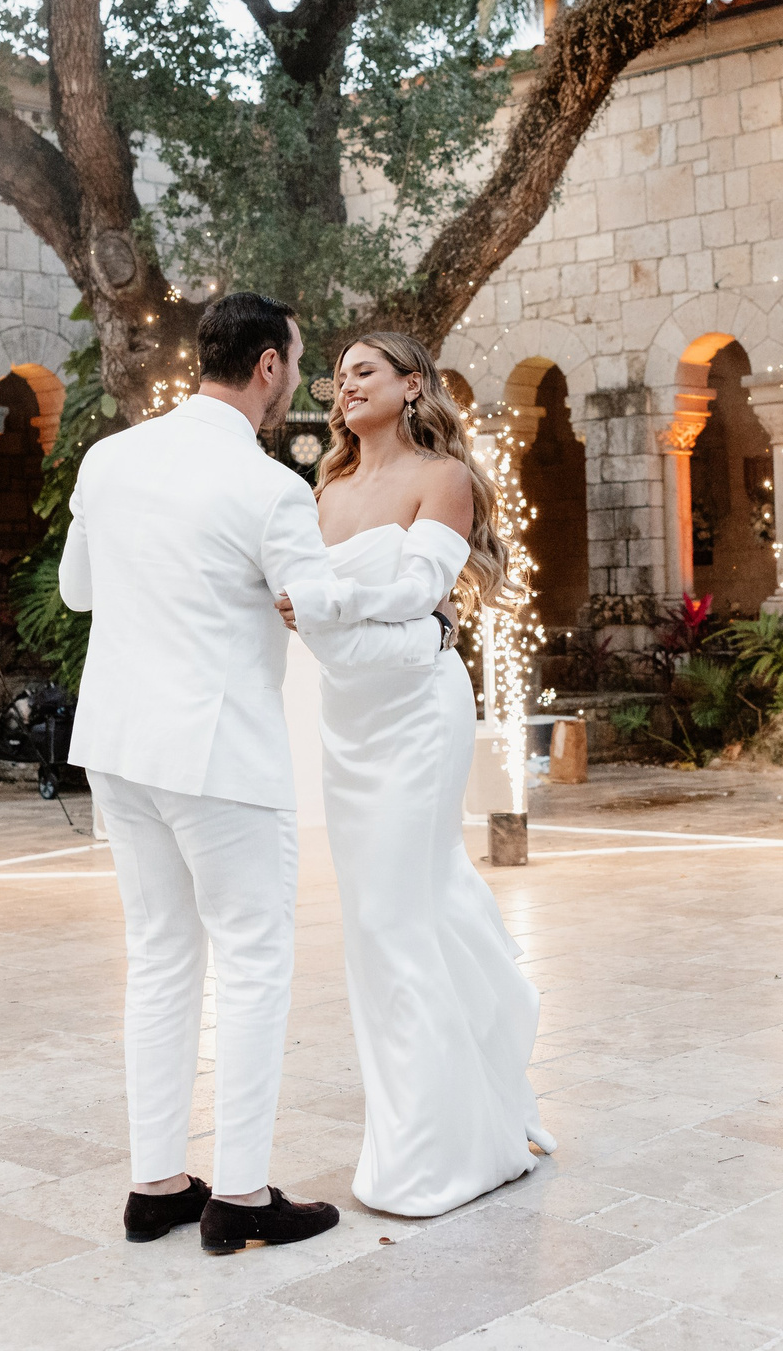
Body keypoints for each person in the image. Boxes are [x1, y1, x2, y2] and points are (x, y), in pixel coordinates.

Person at [58, 291, 446, 1256]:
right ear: (269, 364)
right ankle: (238, 1196)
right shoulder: (268, 487)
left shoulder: (108, 459)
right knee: (253, 961)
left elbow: (76, 589)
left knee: (160, 954)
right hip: (218, 753)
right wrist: (430, 633)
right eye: (299, 364)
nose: (300, 383)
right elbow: (323, 625)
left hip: (117, 746)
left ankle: (156, 1185)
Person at [278, 330, 552, 1217]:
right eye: (338, 376)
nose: (345, 386)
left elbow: (416, 590)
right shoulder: (325, 488)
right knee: (377, 920)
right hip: (348, 718)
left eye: (365, 371)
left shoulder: (445, 478)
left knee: (399, 911)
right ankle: (453, 1118)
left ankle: (436, 1155)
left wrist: (324, 600)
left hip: (418, 713)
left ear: (411, 384)